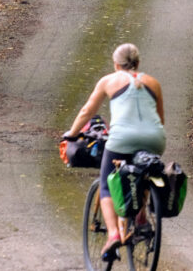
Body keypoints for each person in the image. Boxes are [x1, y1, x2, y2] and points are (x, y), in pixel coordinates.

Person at [63, 43, 166, 262]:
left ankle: (113, 235)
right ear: (138, 62)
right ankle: (140, 219)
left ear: (116, 64)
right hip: (155, 138)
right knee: (143, 172)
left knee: (106, 183)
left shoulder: (109, 81)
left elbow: (87, 111)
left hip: (122, 139)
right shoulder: (153, 83)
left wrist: (71, 134)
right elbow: (160, 119)